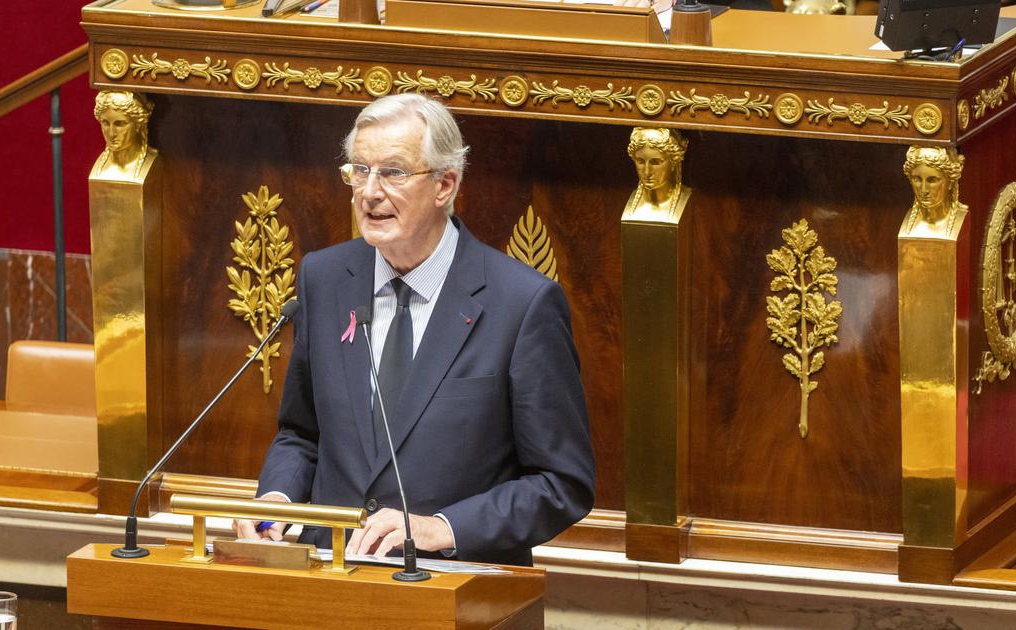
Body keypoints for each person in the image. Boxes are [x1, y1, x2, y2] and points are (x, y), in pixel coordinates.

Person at [233, 93, 596, 567]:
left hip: (454, 586)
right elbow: (302, 433)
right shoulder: (324, 279)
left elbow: (561, 483)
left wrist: (439, 528)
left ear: (445, 184)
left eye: (393, 172)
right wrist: (277, 498)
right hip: (329, 580)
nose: (369, 191)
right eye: (358, 170)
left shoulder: (521, 304)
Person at [622, 127, 690, 223]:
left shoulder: (688, 199)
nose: (647, 172)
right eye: (640, 161)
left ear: (674, 162)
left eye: (656, 162)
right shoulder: (629, 203)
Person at [900, 146, 967, 239]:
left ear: (950, 182)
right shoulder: (907, 226)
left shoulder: (960, 219)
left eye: (932, 180)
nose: (924, 190)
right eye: (917, 179)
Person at [91, 90, 155, 180]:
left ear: (138, 124)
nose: (111, 133)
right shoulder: (99, 168)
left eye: (119, 124)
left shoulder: (152, 162)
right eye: (105, 123)